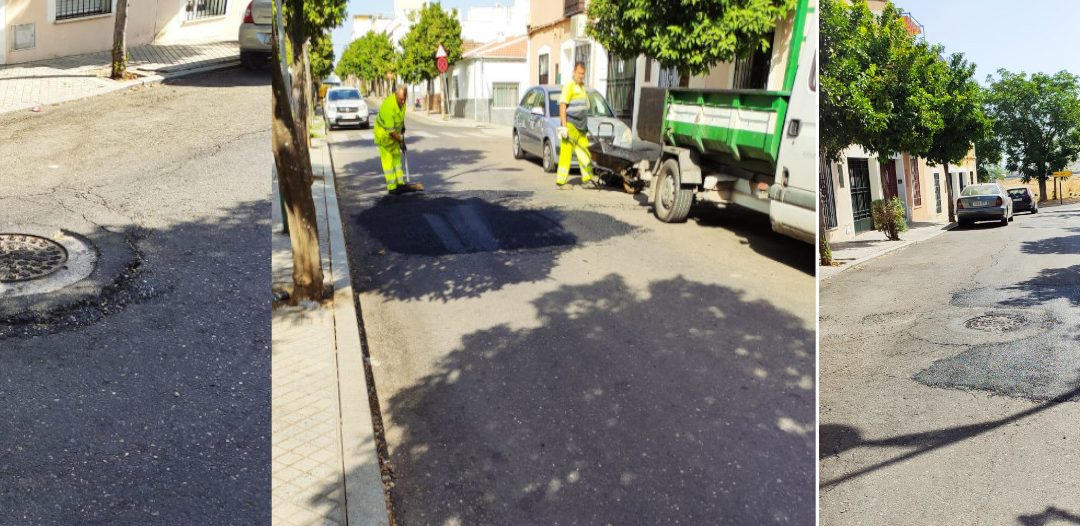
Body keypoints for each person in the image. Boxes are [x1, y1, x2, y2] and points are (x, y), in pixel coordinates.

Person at [556, 61, 596, 188]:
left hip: (581, 127)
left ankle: (587, 179)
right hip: (571, 125)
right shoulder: (569, 86)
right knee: (566, 154)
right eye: (579, 73)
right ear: (574, 72)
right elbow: (563, 105)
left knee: (584, 153)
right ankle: (561, 182)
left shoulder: (582, 87)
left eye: (583, 74)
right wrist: (564, 126)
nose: (581, 76)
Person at [374, 86, 408, 194]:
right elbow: (391, 132)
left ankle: (400, 183)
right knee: (388, 161)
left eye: (404, 99)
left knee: (397, 159)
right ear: (395, 95)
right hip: (383, 135)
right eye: (401, 99)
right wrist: (401, 140)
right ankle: (392, 187)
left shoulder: (402, 104)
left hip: (394, 134)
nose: (403, 101)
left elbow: (400, 118)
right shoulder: (389, 107)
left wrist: (402, 126)